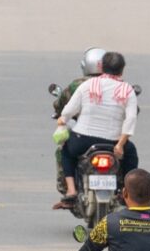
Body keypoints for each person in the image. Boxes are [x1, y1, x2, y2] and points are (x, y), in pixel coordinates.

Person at [52, 51, 138, 209]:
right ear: (122, 69)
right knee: (131, 154)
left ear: (101, 67)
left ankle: (71, 190)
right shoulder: (127, 90)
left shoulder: (87, 85)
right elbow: (131, 119)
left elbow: (68, 110)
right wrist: (120, 144)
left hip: (82, 139)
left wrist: (62, 120)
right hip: (112, 141)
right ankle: (127, 192)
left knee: (65, 151)